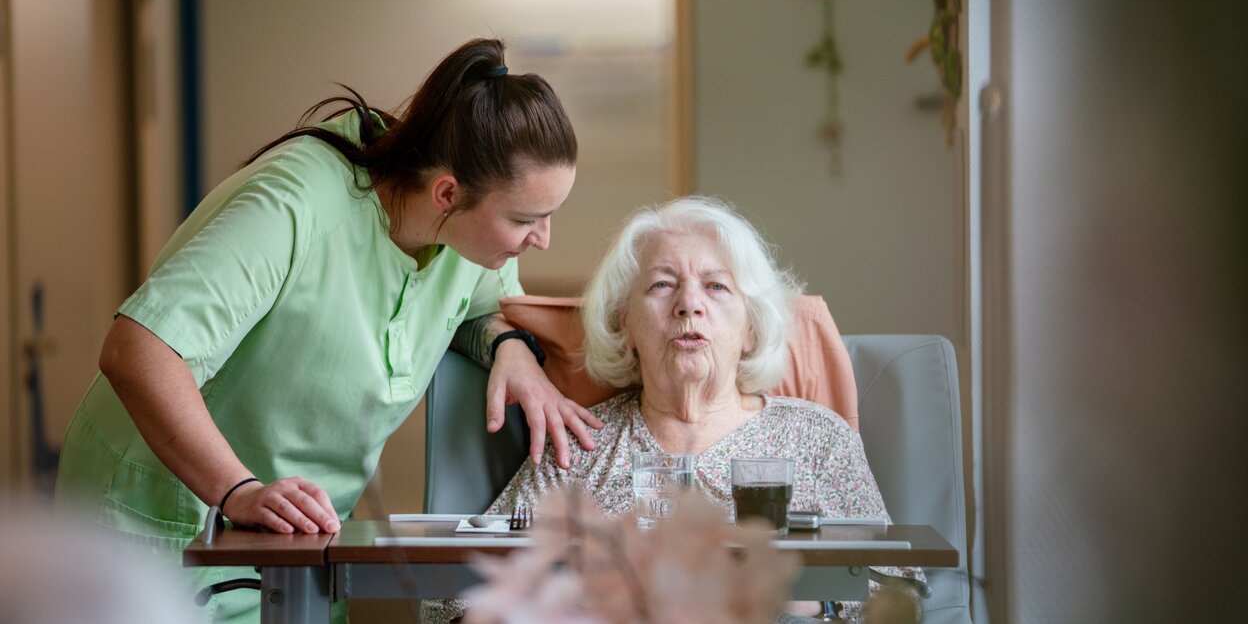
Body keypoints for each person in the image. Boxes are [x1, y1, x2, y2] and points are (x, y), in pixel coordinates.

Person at [53, 38, 602, 623]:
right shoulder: (296, 205)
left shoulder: (468, 237)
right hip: (161, 534)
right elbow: (138, 350)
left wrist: (509, 345)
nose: (541, 239)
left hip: (294, 551)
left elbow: (485, 308)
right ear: (447, 192)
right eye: (527, 220)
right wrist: (238, 490)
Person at [424, 196, 922, 624]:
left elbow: (902, 591)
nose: (689, 305)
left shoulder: (815, 437)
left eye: (716, 286)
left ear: (750, 328)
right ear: (626, 324)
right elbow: (447, 598)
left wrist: (808, 602)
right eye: (662, 285)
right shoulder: (581, 444)